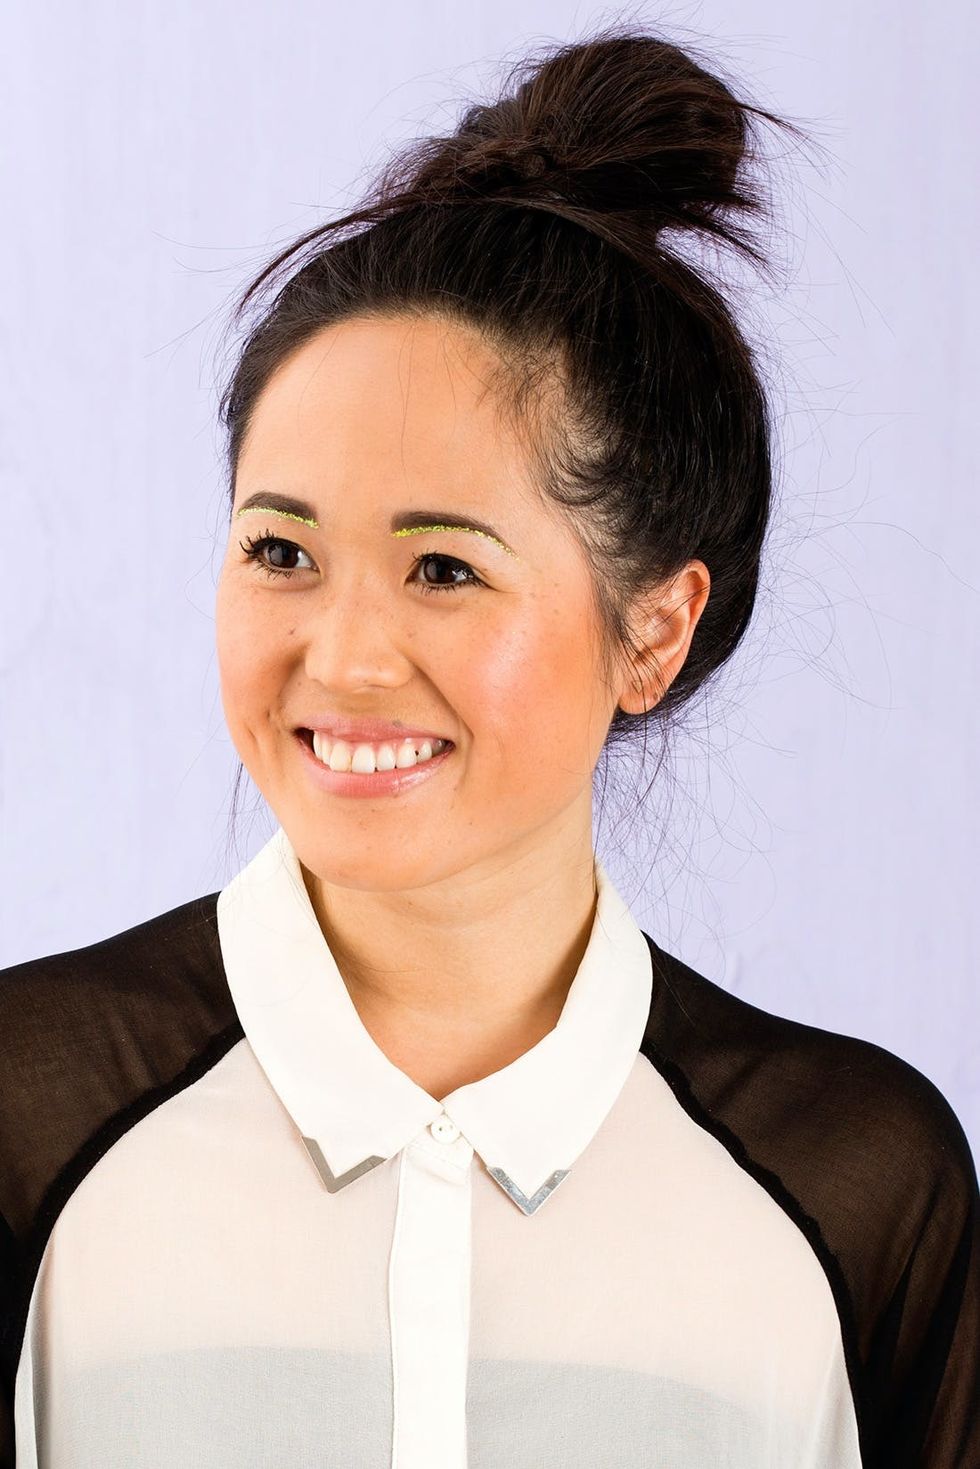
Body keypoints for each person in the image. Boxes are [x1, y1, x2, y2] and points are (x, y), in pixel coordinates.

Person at [1, 24, 977, 1469]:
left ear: (654, 631)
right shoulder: (28, 1112)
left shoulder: (854, 1184)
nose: (343, 657)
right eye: (280, 550)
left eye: (444, 569)